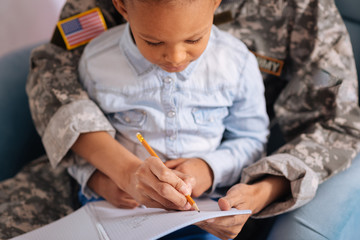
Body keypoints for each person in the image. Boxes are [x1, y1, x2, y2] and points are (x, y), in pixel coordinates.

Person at [1, 0, 359, 239]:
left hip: (218, 196)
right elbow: (56, 74)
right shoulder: (101, 53)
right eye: (153, 42)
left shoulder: (283, 20)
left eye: (193, 39)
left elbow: (338, 122)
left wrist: (262, 189)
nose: (174, 57)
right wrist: (115, 173)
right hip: (89, 181)